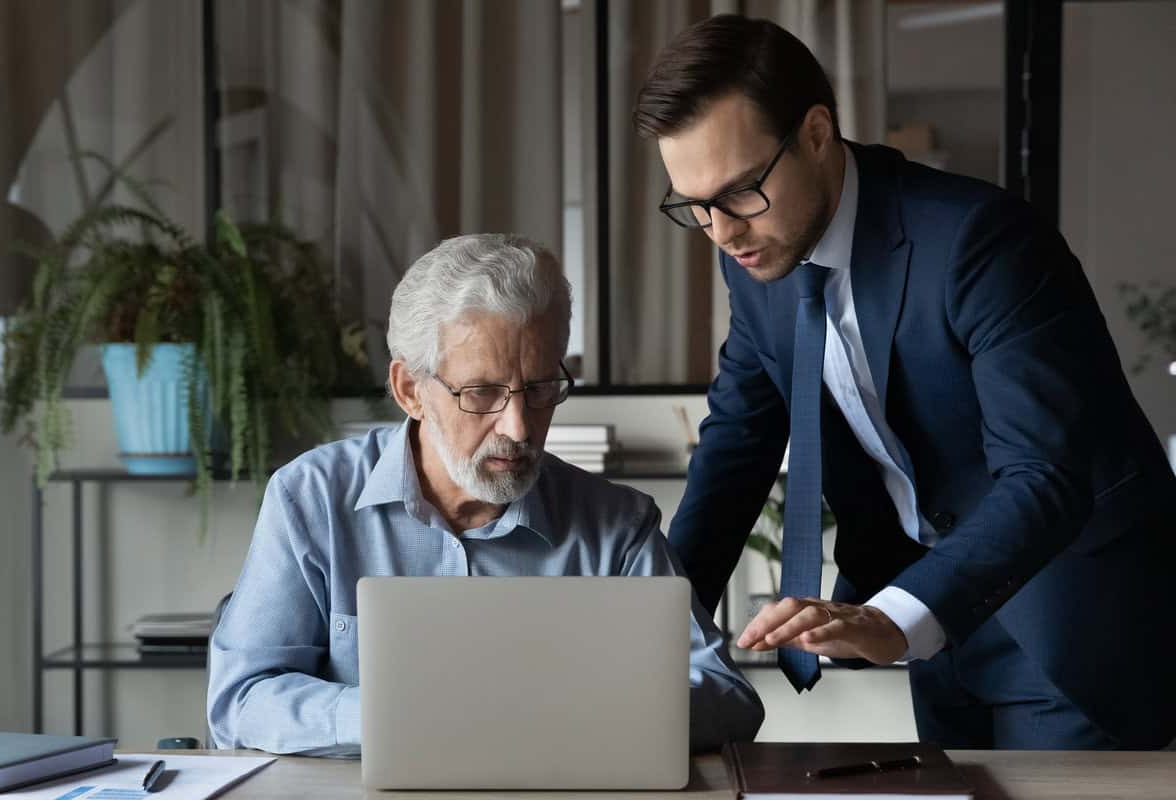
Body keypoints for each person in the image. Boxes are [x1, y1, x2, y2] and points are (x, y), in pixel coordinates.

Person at [633, 14, 1176, 749]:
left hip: (1064, 617)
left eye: (738, 192)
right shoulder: (755, 261)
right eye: (692, 206)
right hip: (938, 630)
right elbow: (735, 447)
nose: (721, 232)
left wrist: (897, 615)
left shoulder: (981, 240)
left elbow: (1044, 474)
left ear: (817, 134)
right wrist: (652, 632)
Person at [206, 233, 764, 756]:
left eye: (541, 389)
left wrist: (563, 716)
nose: (519, 428)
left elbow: (726, 697)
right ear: (410, 390)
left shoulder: (616, 525)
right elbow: (240, 701)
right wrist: (392, 716)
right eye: (482, 392)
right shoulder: (310, 500)